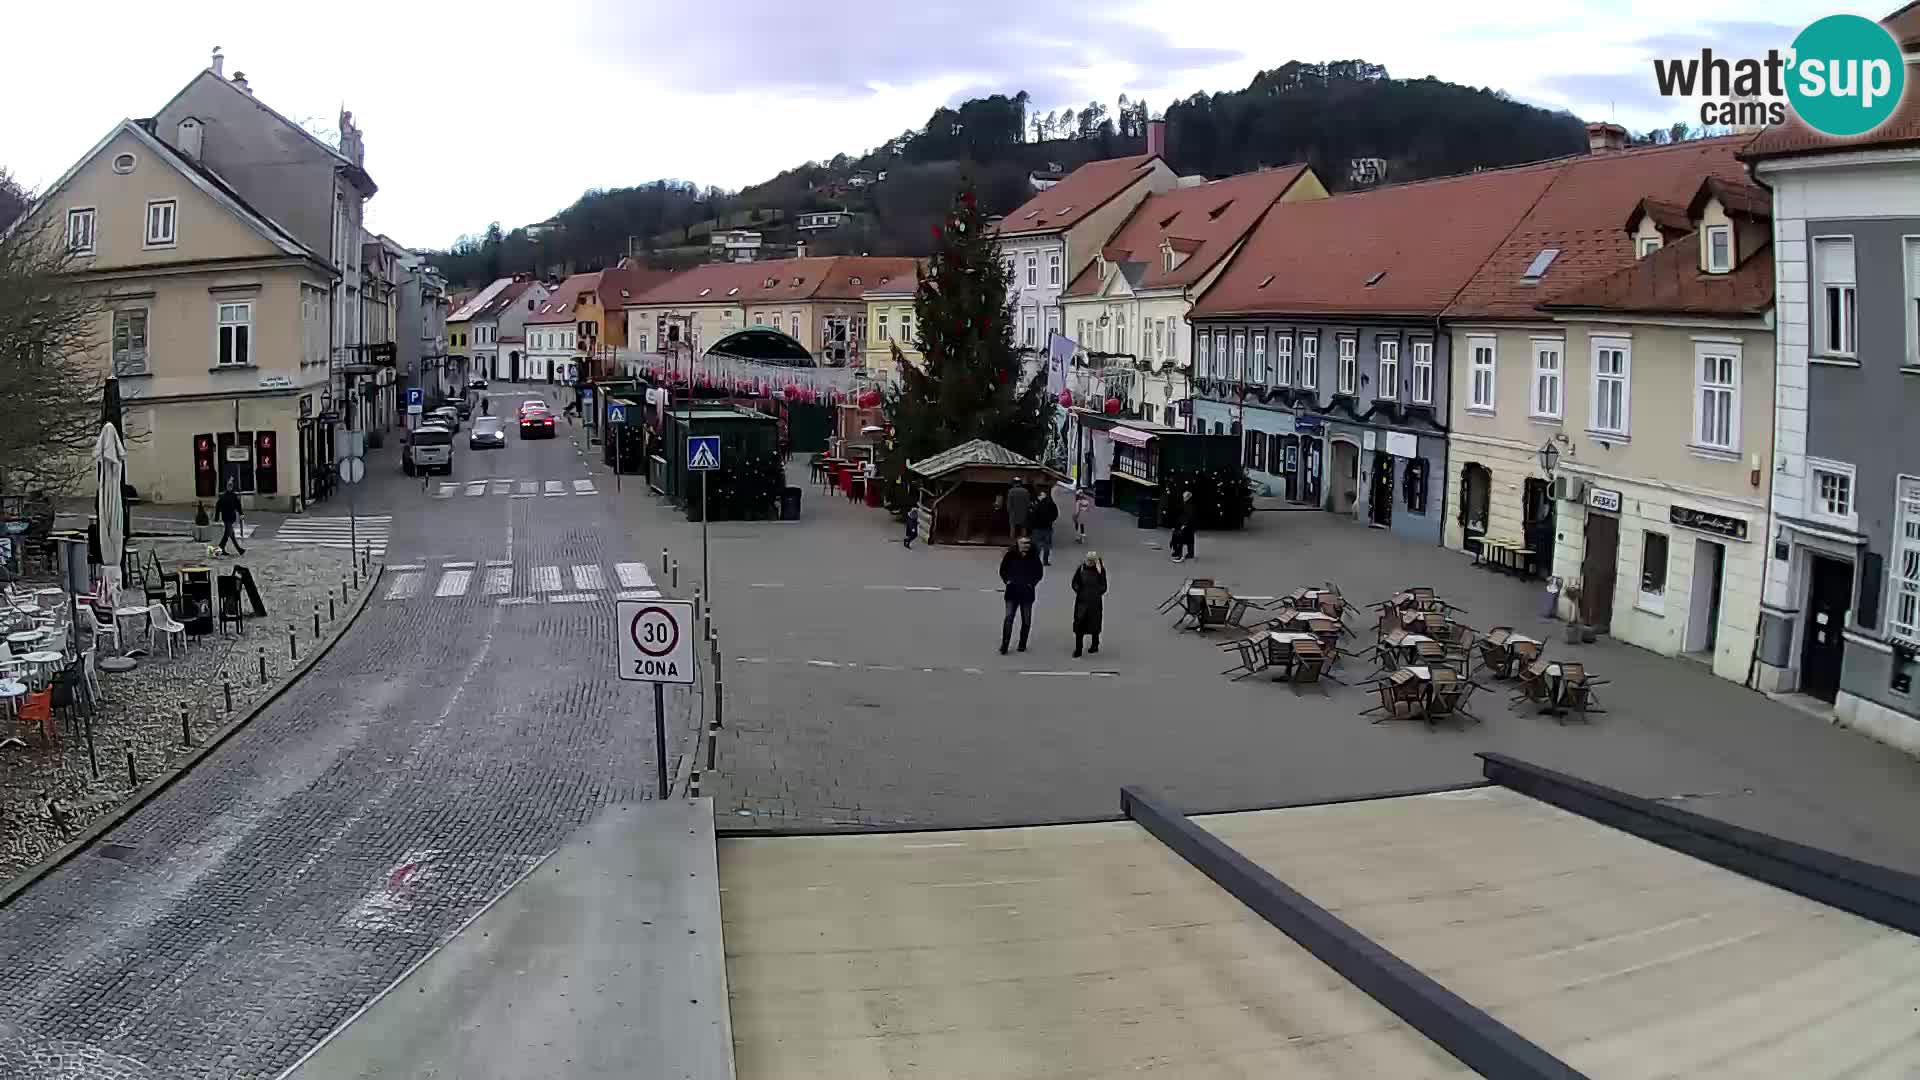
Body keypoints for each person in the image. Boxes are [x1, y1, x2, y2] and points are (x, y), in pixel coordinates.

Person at [998, 534, 1044, 655]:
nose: (1025, 546)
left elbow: (1039, 573)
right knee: (1008, 618)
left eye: (1027, 543)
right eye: (1023, 543)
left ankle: (1022, 643)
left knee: (1026, 620)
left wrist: (1031, 583)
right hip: (1012, 592)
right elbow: (1003, 569)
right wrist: (1007, 580)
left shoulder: (1033, 557)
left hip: (1027, 593)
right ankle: (1005, 644)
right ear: (1018, 544)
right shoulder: (1010, 555)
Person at [1071, 551, 1107, 658]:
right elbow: (1074, 582)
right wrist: (1078, 590)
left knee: (1094, 624)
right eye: (1088, 560)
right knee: (1079, 625)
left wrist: (1097, 593)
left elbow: (1104, 586)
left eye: (1092, 561)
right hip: (1082, 602)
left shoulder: (1100, 571)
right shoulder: (1081, 569)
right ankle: (1078, 649)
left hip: (1094, 602)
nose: (1090, 562)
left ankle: (1095, 644)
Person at [1029, 486, 1059, 566]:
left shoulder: (1037, 505)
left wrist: (1032, 525)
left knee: (1037, 545)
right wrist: (1051, 520)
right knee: (1047, 546)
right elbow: (1056, 514)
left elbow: (1033, 516)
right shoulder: (1051, 504)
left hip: (1037, 528)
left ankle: (1036, 561)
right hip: (1048, 527)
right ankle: (1045, 561)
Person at [215, 481, 246, 556]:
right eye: (229, 486)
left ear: (232, 487)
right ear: (227, 487)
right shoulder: (223, 496)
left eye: (231, 486)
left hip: (232, 518)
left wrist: (241, 513)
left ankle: (220, 549)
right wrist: (216, 517)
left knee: (227, 535)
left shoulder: (234, 496)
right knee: (231, 534)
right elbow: (218, 506)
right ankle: (239, 550)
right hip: (226, 518)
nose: (230, 487)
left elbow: (238, 505)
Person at [1168, 489, 1196, 563]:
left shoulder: (1188, 505)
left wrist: (1184, 525)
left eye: (1184, 496)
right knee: (1188, 539)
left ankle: (1179, 554)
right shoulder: (1187, 504)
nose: (1183, 498)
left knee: (1180, 539)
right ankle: (1188, 553)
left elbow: (1188, 516)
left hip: (1186, 525)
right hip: (1187, 525)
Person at [1006, 477, 1031, 543]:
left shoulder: (1011, 491)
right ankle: (1023, 542)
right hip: (1023, 513)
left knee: (1012, 528)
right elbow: (1028, 504)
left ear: (1014, 483)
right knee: (1023, 528)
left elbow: (1009, 504)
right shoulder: (1025, 491)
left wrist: (1009, 511)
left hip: (1013, 513)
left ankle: (1012, 543)